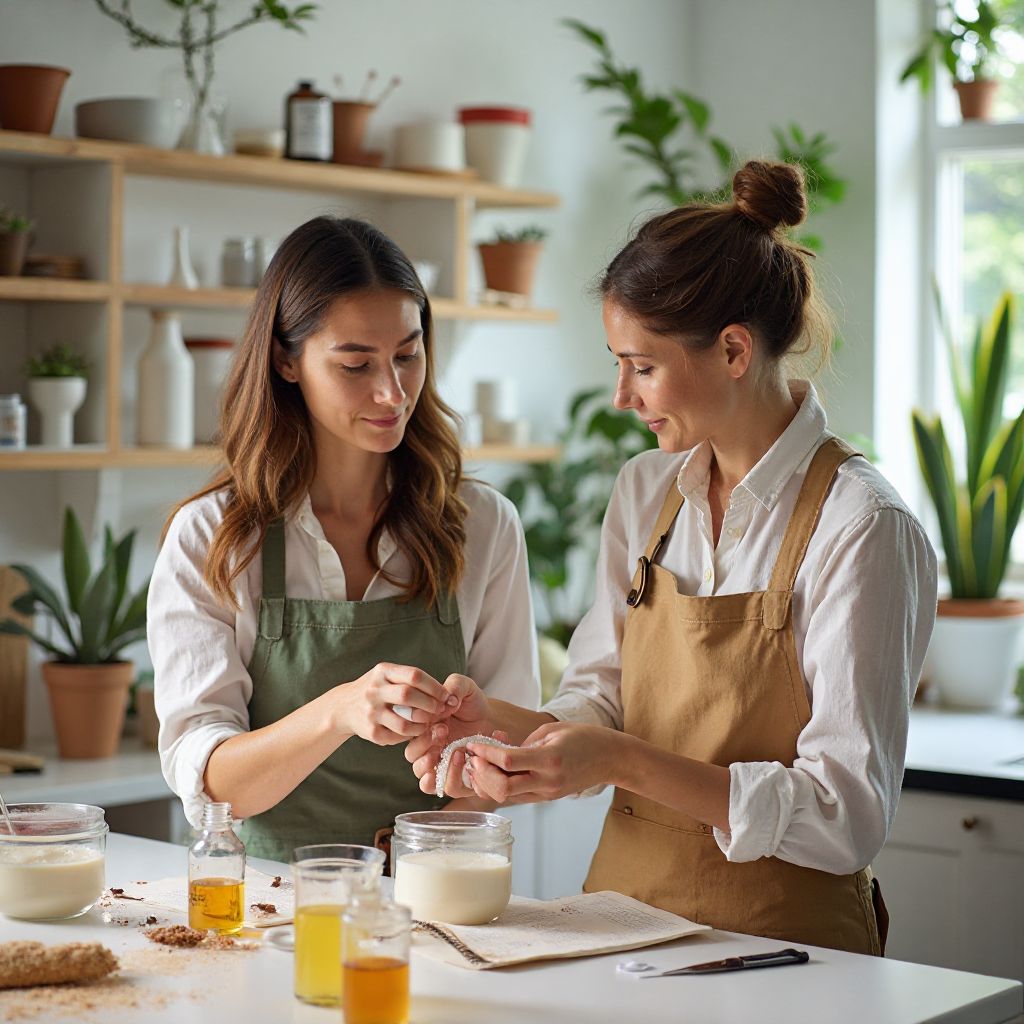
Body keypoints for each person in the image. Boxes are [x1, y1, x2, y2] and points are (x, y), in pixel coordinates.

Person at [408, 160, 937, 955]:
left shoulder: (862, 524)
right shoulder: (644, 492)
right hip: (616, 932)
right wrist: (506, 727)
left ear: (732, 350)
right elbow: (601, 697)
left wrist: (620, 760)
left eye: (642, 366)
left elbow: (844, 818)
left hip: (788, 958)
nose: (622, 397)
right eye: (618, 363)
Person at [149, 216, 539, 861]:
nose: (392, 392)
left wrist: (420, 861)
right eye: (356, 363)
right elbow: (214, 782)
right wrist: (339, 709)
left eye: (408, 356)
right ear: (286, 360)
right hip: (266, 903)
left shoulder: (483, 524)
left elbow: (506, 751)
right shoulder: (214, 539)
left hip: (438, 889)